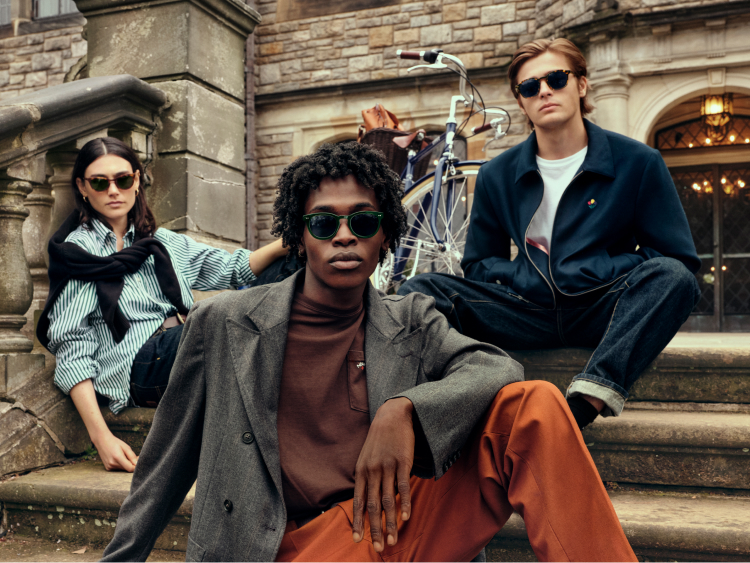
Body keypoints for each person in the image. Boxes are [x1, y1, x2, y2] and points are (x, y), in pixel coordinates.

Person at [102, 142, 636, 562]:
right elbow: (163, 465)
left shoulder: (411, 318)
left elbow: (497, 366)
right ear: (300, 236)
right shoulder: (225, 323)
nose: (343, 236)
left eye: (362, 221)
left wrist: (404, 409)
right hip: (288, 546)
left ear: (384, 238)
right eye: (323, 222)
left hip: (397, 523)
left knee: (535, 406)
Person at [398, 38, 701, 430]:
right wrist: (519, 277)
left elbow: (676, 256)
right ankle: (437, 397)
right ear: (521, 101)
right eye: (529, 87)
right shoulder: (497, 175)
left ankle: (588, 398)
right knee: (421, 291)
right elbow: (478, 264)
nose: (544, 90)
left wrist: (601, 268)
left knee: (674, 279)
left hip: (601, 307)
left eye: (557, 79)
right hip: (525, 310)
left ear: (582, 85)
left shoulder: (637, 162)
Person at [37, 137, 288, 473]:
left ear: (137, 180)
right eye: (100, 182)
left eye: (123, 179)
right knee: (221, 321)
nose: (114, 190)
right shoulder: (78, 253)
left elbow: (233, 269)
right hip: (140, 365)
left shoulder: (161, 242)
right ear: (83, 187)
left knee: (290, 268)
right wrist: (102, 437)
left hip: (183, 344)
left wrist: (294, 242)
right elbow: (72, 348)